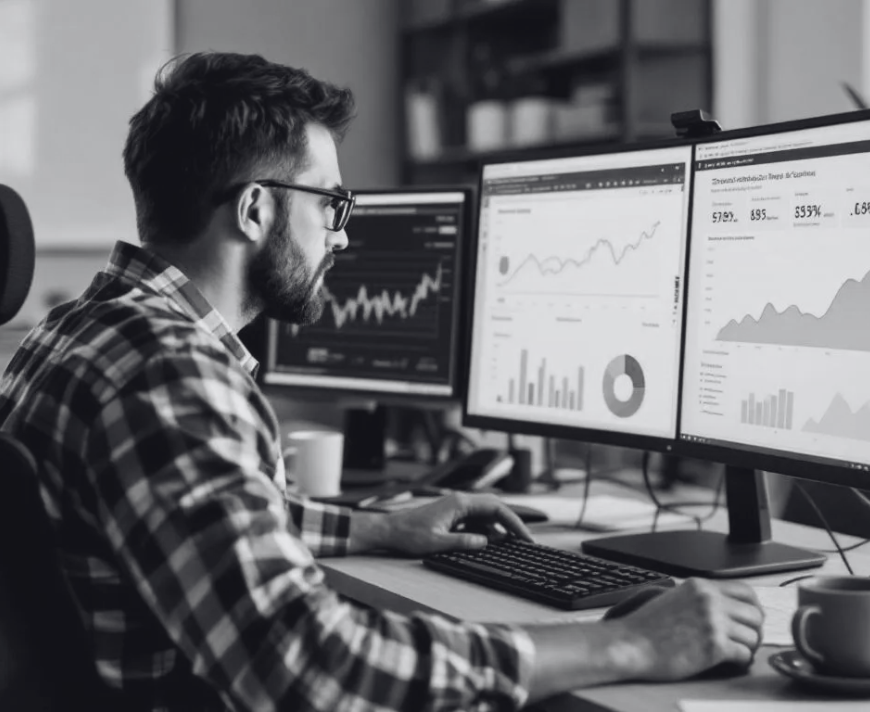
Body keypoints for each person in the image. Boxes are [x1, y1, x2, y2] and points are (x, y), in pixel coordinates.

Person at [0, 51, 764, 712]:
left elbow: (190, 519)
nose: (342, 235)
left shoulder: (80, 330)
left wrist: (376, 529)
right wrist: (625, 644)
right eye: (332, 203)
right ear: (255, 209)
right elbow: (307, 668)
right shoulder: (173, 373)